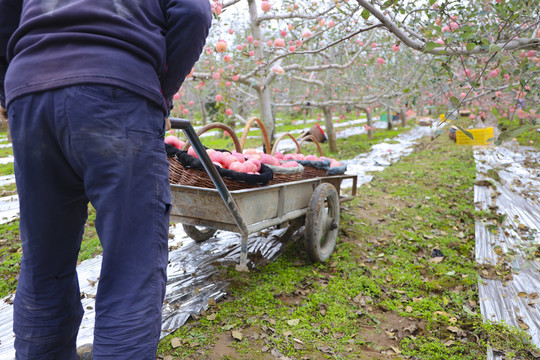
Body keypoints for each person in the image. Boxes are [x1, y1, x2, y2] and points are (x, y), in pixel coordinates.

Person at [0, 0, 211, 358]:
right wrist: (161, 93)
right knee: (133, 266)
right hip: (117, 90)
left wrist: (11, 93)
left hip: (31, 93)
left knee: (43, 265)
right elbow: (193, 12)